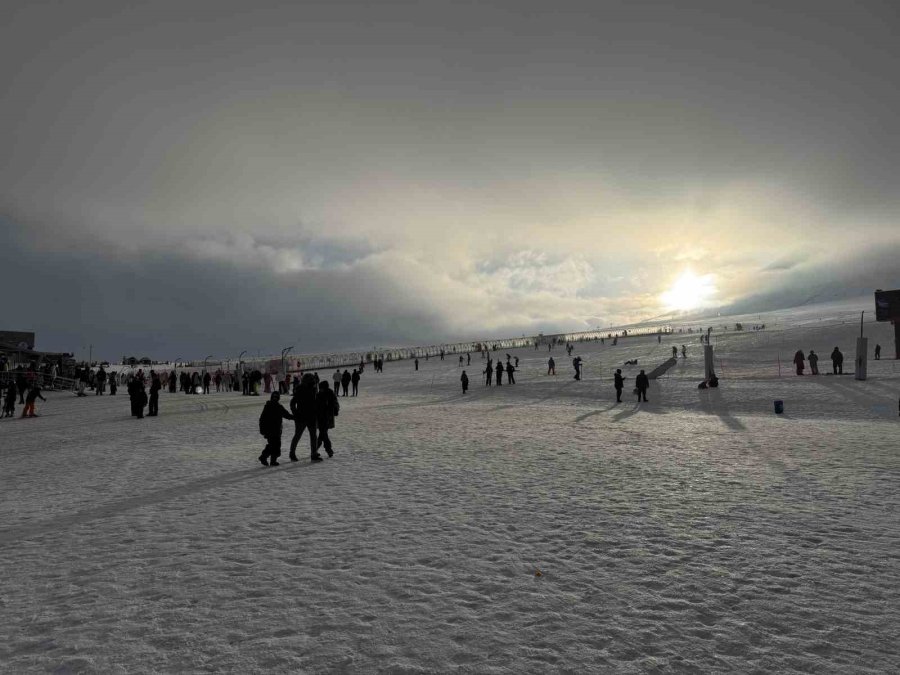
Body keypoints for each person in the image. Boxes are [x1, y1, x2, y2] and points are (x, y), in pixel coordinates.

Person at [258, 391, 293, 466]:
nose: (274, 399)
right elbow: (262, 419)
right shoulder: (271, 406)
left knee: (273, 445)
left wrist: (294, 417)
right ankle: (265, 458)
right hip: (271, 431)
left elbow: (286, 415)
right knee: (275, 445)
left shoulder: (276, 406)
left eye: (276, 398)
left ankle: (269, 459)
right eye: (273, 397)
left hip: (275, 430)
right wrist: (262, 429)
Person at [289, 374, 318, 462]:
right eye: (311, 380)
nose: (313, 382)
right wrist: (296, 414)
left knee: (313, 436)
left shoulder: (314, 389)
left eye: (313, 380)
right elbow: (292, 403)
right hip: (301, 417)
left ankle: (314, 453)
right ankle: (292, 453)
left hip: (312, 416)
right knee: (298, 435)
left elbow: (315, 402)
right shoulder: (300, 389)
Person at [315, 381, 339, 460]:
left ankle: (325, 449)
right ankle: (325, 449)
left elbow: (334, 403)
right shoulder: (321, 394)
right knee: (323, 433)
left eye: (321, 388)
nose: (320, 389)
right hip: (322, 416)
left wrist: (335, 410)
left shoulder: (328, 394)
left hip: (326, 416)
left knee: (323, 433)